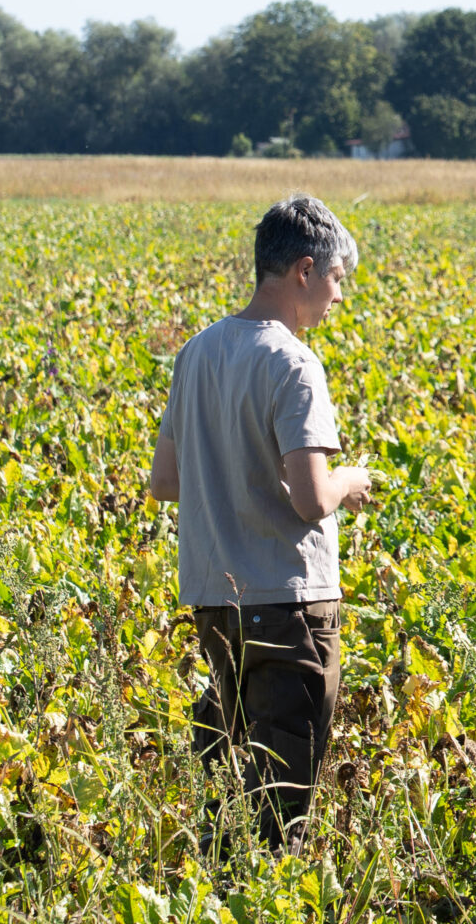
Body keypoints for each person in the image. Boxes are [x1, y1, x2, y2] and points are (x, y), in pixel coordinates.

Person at [150, 193, 372, 850]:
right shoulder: (294, 363)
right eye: (336, 279)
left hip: (215, 603)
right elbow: (310, 498)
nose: (338, 296)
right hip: (287, 607)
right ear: (304, 270)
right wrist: (350, 480)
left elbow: (165, 482)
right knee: (281, 803)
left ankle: (218, 915)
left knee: (224, 791)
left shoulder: (197, 352)